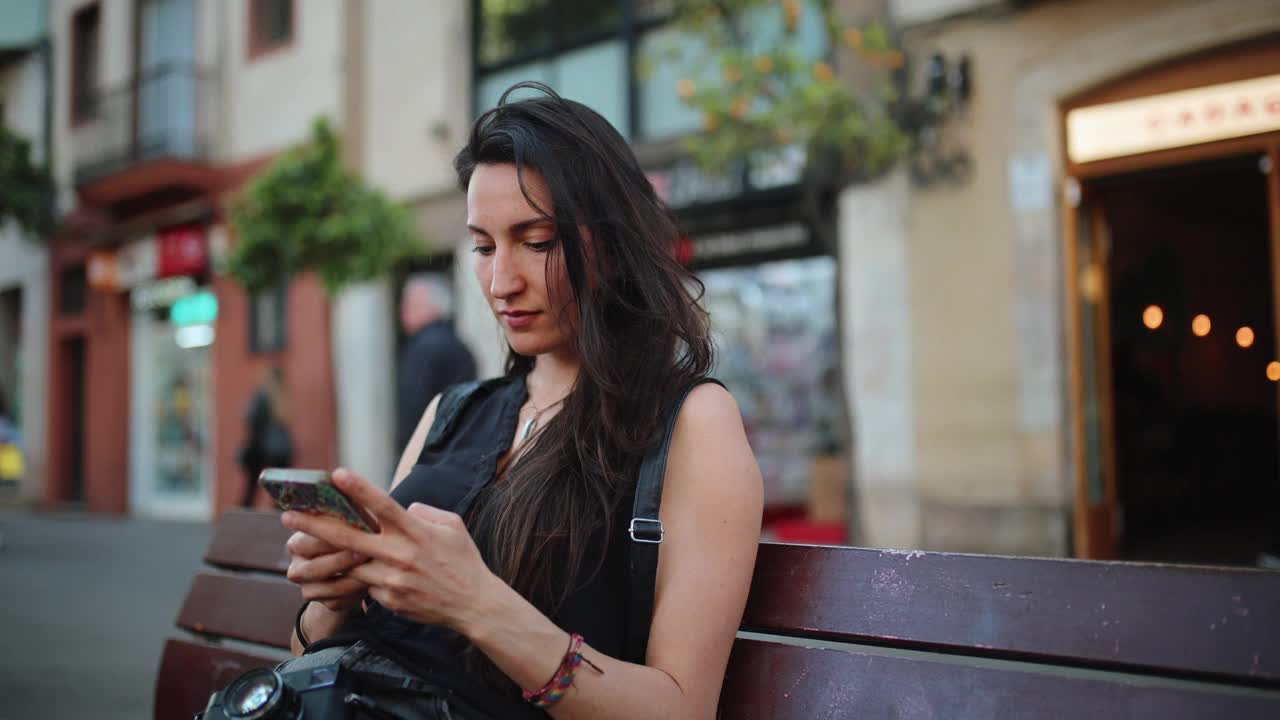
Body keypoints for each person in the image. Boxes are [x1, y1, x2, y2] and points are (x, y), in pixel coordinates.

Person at [280, 82, 764, 719]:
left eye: (536, 242)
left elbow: (680, 708)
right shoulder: (451, 411)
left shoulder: (689, 421)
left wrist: (478, 604)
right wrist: (336, 594)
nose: (501, 281)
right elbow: (305, 656)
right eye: (483, 248)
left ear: (615, 245)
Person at [396, 275, 477, 453]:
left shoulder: (422, 347)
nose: (403, 311)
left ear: (433, 307)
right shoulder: (460, 345)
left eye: (411, 304)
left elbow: (413, 408)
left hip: (426, 453)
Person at [237, 365, 294, 508]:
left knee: (251, 491)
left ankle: (242, 523)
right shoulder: (283, 397)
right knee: (280, 494)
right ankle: (280, 525)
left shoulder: (262, 395)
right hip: (283, 452)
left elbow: (251, 419)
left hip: (262, 449)